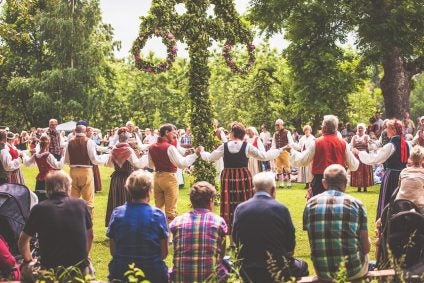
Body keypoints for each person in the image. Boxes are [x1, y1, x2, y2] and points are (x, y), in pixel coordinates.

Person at [200, 122, 284, 236]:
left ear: (233, 133)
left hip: (228, 178)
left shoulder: (225, 146)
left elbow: (210, 157)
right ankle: (246, 233)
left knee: (228, 205)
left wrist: (201, 151)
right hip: (243, 176)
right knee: (245, 202)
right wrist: (278, 151)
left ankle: (232, 241)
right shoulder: (247, 146)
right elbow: (263, 156)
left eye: (230, 132)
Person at [233, 171, 308, 282]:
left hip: (248, 269)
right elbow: (290, 245)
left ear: (254, 190)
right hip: (277, 268)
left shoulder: (240, 209)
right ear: (273, 189)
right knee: (303, 266)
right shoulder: (281, 209)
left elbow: (235, 239)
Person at [303, 164, 370, 281]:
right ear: (346, 182)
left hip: (322, 271)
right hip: (353, 271)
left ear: (324, 183)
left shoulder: (310, 204)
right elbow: (366, 248)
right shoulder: (356, 204)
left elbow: (312, 240)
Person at [18, 171, 93, 273]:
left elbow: (23, 241)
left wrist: (29, 261)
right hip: (79, 268)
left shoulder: (39, 208)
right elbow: (90, 235)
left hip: (50, 268)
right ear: (67, 187)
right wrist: (85, 257)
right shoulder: (81, 204)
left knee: (24, 271)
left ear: (47, 188)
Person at [107, 170, 169, 282]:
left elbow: (113, 251)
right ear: (149, 191)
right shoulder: (158, 215)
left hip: (122, 271)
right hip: (152, 272)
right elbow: (164, 253)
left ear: (129, 190)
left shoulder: (117, 213)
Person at [170, 181, 227, 283]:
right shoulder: (219, 222)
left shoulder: (177, 222)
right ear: (211, 200)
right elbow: (221, 254)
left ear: (192, 201)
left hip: (182, 278)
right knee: (227, 264)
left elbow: (176, 251)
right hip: (211, 278)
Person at [291, 115, 359, 197]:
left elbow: (302, 160)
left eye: (322, 126)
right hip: (338, 183)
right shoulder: (343, 143)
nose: (321, 128)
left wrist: (291, 151)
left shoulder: (316, 142)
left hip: (320, 183)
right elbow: (354, 165)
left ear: (325, 128)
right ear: (336, 128)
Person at [357, 119, 410, 219]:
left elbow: (375, 159)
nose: (386, 130)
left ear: (393, 130)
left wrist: (359, 153)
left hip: (391, 177)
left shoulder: (391, 145)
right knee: (400, 200)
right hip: (403, 176)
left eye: (387, 128)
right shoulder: (405, 144)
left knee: (388, 200)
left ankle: (385, 224)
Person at [148, 123, 199, 223]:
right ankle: (170, 237)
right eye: (173, 133)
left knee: (158, 208)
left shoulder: (151, 147)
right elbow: (182, 164)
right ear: (166, 132)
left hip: (157, 178)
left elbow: (150, 165)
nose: (175, 135)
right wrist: (196, 154)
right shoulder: (169, 147)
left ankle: (158, 233)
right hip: (169, 178)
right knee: (171, 211)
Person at [105, 127, 147, 227]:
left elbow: (108, 164)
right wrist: (147, 156)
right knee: (128, 201)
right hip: (128, 178)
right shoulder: (128, 150)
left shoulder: (114, 149)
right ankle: (128, 224)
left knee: (116, 201)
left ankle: (116, 225)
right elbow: (138, 164)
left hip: (116, 178)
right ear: (127, 138)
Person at [64, 124, 106, 216]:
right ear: (85, 131)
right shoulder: (89, 141)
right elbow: (94, 159)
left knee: (73, 200)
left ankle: (73, 222)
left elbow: (66, 159)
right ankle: (88, 224)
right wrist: (104, 158)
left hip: (73, 171)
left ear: (75, 130)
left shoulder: (69, 142)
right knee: (88, 201)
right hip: (86, 170)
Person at [23, 135, 64, 201]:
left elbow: (27, 163)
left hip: (40, 179)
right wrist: (63, 157)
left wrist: (24, 156)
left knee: (40, 197)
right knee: (50, 197)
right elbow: (58, 165)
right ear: (48, 144)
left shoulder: (36, 155)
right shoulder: (48, 155)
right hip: (49, 179)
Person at [395, 145, 424, 209]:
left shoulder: (404, 171)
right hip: (418, 206)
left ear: (411, 158)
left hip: (400, 204)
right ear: (422, 159)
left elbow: (399, 186)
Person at [350, 123, 374, 192]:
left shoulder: (367, 137)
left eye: (361, 128)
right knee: (357, 171)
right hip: (356, 156)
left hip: (364, 156)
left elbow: (370, 147)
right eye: (359, 128)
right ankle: (358, 187)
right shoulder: (354, 137)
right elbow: (351, 147)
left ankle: (365, 187)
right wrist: (353, 152)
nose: (360, 129)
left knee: (365, 171)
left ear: (364, 129)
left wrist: (370, 144)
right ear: (357, 129)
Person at [271, 119, 295, 188]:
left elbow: (290, 143)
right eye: (276, 125)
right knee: (279, 168)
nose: (277, 126)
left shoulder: (287, 132)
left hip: (285, 152)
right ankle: (281, 183)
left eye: (278, 125)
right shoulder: (275, 133)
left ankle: (289, 182)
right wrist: (272, 151)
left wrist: (283, 148)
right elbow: (273, 144)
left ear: (282, 125)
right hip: (277, 152)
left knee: (287, 168)